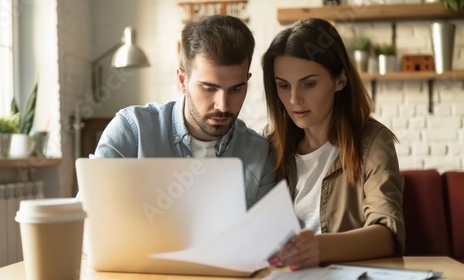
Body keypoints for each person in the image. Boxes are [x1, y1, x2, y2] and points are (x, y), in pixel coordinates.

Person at [262, 18, 405, 270]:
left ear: (340, 80)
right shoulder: (271, 144)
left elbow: (387, 234)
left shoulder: (372, 142)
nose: (294, 99)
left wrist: (318, 248)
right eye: (283, 86)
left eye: (308, 84)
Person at [92, 15, 276, 209]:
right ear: (182, 80)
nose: (223, 105)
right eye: (209, 88)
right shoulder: (132, 131)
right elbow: (88, 215)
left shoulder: (259, 153)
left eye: (236, 89)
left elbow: (265, 236)